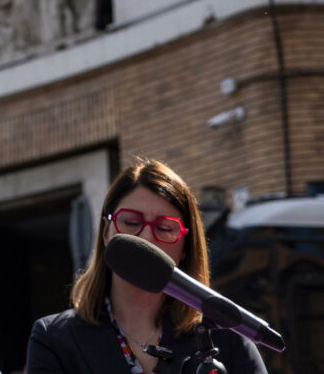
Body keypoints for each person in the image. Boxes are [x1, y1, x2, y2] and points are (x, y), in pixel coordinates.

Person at [26, 159, 267, 374]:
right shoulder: (55, 339)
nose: (146, 238)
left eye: (164, 228)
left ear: (185, 248)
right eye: (130, 222)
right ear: (106, 234)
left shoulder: (227, 339)